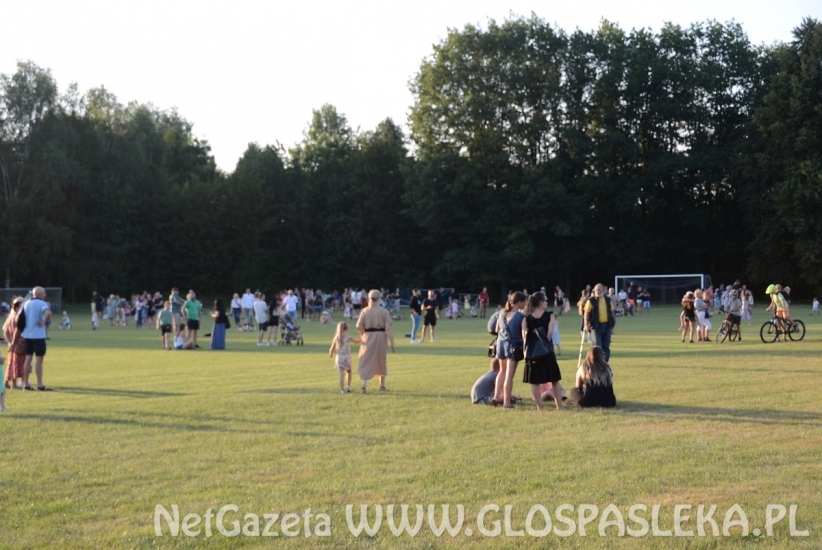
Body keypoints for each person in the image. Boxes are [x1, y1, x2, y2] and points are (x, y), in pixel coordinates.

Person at [522, 292, 563, 410]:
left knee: (535, 381)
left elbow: (524, 336)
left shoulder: (526, 318)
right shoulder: (549, 315)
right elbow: (549, 334)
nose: (546, 302)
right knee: (554, 379)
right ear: (540, 302)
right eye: (545, 300)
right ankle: (559, 406)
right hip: (547, 352)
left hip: (532, 353)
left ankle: (540, 407)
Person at [356, 290, 395, 393]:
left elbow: (358, 326)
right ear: (379, 299)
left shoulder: (364, 311)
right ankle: (382, 385)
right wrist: (393, 343)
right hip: (380, 337)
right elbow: (388, 329)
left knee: (366, 359)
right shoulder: (384, 311)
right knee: (381, 359)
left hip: (367, 336)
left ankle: (364, 385)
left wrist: (363, 335)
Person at [494, 291, 527, 409]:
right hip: (513, 346)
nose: (526, 304)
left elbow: (497, 329)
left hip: (501, 345)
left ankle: (496, 397)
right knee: (509, 375)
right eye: (525, 302)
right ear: (519, 302)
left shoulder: (502, 313)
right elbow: (524, 334)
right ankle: (506, 403)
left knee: (501, 372)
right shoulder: (520, 316)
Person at [20, 286, 52, 391]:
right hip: (38, 335)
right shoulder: (42, 303)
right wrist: (44, 322)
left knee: (28, 358)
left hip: (27, 335)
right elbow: (48, 313)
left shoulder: (26, 303)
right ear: (38, 294)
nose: (45, 295)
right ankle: (40, 384)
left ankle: (25, 384)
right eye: (44, 293)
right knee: (39, 359)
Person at [583, 284, 616, 361]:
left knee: (606, 346)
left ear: (604, 290)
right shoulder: (591, 301)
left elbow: (612, 312)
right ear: (594, 290)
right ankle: (597, 363)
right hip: (596, 326)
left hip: (607, 326)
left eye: (599, 289)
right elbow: (586, 313)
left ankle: (605, 363)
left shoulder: (608, 300)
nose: (598, 291)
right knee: (597, 346)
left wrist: (613, 323)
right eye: (596, 289)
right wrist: (586, 325)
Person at [329, 321, 361, 393]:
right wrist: (362, 337)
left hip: (339, 358)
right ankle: (348, 386)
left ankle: (342, 390)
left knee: (341, 374)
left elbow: (331, 348)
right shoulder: (348, 337)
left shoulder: (336, 338)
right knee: (349, 371)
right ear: (346, 329)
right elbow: (357, 342)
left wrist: (331, 354)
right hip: (347, 358)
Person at [3, 298, 26, 391]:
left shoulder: (10, 317)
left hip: (12, 343)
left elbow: (4, 330)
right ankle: (15, 384)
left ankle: (6, 382)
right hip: (19, 342)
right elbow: (18, 330)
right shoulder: (18, 317)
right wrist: (13, 341)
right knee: (18, 364)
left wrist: (9, 342)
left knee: (11, 363)